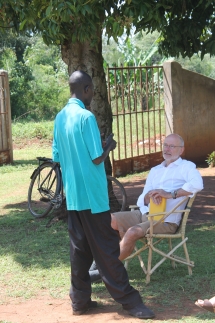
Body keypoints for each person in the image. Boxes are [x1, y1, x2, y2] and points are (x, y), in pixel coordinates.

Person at [52, 70, 155, 319]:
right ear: (86, 88)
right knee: (107, 249)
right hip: (93, 196)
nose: (93, 94)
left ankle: (80, 302)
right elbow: (97, 157)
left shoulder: (60, 117)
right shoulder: (86, 117)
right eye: (92, 90)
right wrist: (108, 144)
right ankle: (130, 302)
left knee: (80, 251)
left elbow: (56, 158)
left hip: (74, 196)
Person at [90, 133, 203, 279]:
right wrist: (148, 197)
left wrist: (169, 194)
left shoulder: (186, 167)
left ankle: (105, 269)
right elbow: (140, 199)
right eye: (165, 145)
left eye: (172, 146)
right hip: (144, 214)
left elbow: (197, 184)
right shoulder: (155, 170)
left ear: (181, 150)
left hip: (165, 221)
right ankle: (102, 261)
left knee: (132, 232)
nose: (167, 149)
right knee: (106, 220)